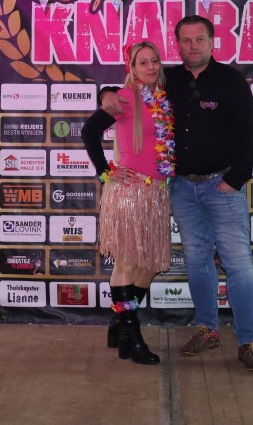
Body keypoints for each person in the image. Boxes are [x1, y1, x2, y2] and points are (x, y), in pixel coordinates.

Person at [101, 16, 253, 372]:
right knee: (197, 261)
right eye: (186, 41)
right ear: (178, 45)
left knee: (238, 263)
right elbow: (131, 86)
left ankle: (248, 341)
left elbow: (251, 133)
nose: (193, 46)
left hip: (223, 186)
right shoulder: (168, 79)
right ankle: (206, 330)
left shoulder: (231, 80)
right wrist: (106, 94)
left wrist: (235, 179)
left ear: (211, 41)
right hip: (182, 189)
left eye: (199, 39)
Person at [82, 41, 174, 365]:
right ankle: (132, 338)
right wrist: (105, 172)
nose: (150, 66)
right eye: (142, 62)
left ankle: (118, 325)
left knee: (149, 266)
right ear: (132, 69)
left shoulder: (163, 100)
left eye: (154, 61)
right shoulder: (124, 97)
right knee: (127, 264)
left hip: (157, 194)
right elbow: (89, 132)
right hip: (130, 194)